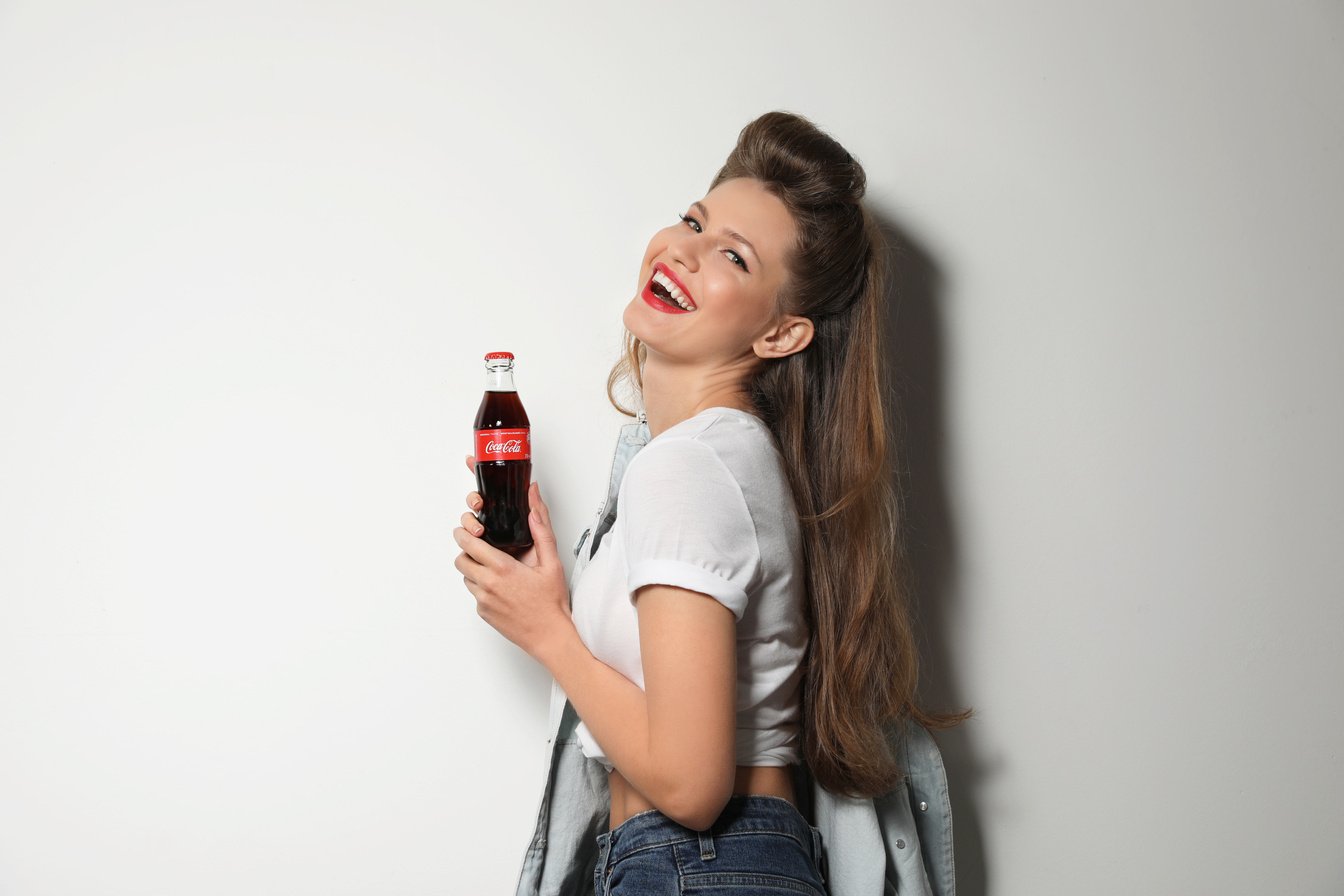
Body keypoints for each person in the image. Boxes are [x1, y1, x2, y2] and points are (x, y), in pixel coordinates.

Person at [453, 111, 966, 895]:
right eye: (695, 219)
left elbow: (693, 790)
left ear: (781, 335)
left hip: (698, 865)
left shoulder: (688, 468)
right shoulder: (723, 458)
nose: (684, 248)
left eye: (732, 255)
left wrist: (547, 632)